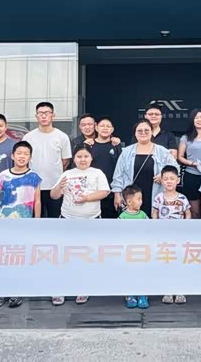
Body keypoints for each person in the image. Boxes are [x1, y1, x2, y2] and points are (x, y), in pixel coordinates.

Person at [50, 144, 110, 306]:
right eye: (79, 156)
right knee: (64, 256)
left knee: (86, 256)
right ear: (74, 159)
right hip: (68, 220)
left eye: (86, 156)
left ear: (91, 158)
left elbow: (104, 192)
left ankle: (83, 288)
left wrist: (86, 198)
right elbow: (54, 196)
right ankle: (59, 289)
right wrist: (59, 187)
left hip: (91, 221)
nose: (83, 159)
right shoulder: (67, 174)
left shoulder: (97, 173)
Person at [0, 141, 42, 309]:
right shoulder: (3, 176)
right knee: (1, 258)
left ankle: (16, 292)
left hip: (24, 224)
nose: (22, 156)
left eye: (26, 154)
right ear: (12, 155)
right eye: (19, 153)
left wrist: (37, 221)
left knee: (19, 257)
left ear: (30, 157)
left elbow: (37, 201)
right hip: (3, 223)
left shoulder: (34, 177)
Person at [112, 120, 178, 217]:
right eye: (139, 131)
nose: (143, 133)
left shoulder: (162, 151)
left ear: (151, 132)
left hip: (155, 193)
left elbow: (175, 168)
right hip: (131, 196)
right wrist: (117, 195)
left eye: (146, 130)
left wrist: (163, 175)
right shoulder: (126, 152)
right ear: (135, 133)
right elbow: (118, 175)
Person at [23, 102, 72, 218]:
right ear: (36, 116)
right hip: (33, 186)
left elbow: (65, 161)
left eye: (47, 113)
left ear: (53, 115)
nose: (44, 116)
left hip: (55, 186)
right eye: (40, 113)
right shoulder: (28, 138)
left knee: (55, 219)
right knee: (34, 219)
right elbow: (24, 161)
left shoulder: (62, 137)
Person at [153, 165, 191, 305]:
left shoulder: (182, 198)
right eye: (166, 179)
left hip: (179, 237)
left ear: (177, 180)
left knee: (179, 262)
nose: (169, 181)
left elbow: (188, 213)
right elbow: (155, 213)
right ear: (161, 181)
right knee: (166, 262)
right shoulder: (158, 198)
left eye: (172, 179)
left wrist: (186, 227)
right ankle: (167, 290)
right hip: (163, 237)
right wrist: (155, 227)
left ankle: (180, 290)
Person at [177, 108, 201, 219]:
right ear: (192, 120)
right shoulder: (185, 138)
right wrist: (193, 163)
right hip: (191, 175)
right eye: (196, 118)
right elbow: (180, 157)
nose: (199, 120)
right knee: (194, 210)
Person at [118, 185, 150, 310]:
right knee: (128, 272)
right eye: (138, 199)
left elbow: (150, 229)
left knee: (142, 271)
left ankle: (143, 294)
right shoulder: (122, 217)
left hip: (141, 250)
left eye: (141, 199)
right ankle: (129, 295)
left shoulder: (143, 215)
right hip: (128, 251)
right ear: (129, 201)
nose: (141, 201)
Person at [87, 116, 122, 218]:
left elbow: (121, 169)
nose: (105, 128)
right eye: (102, 126)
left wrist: (117, 193)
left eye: (108, 126)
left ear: (112, 129)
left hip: (111, 192)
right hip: (92, 191)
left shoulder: (116, 146)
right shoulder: (89, 145)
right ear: (96, 128)